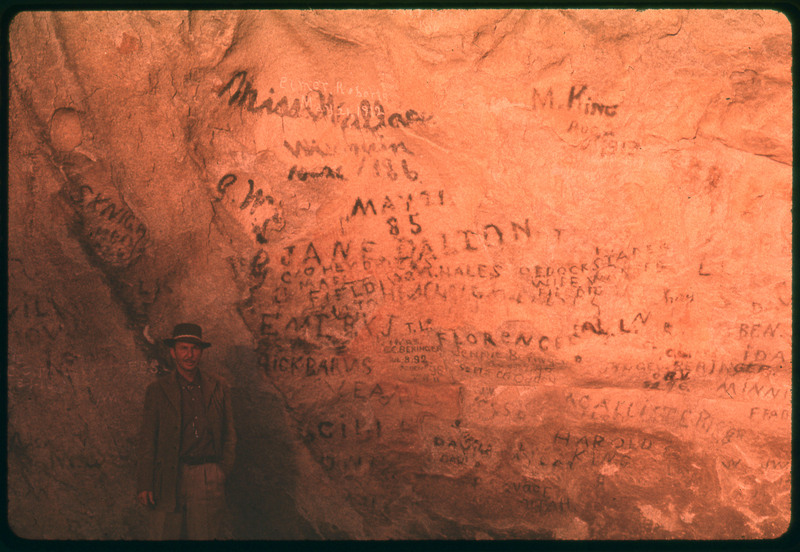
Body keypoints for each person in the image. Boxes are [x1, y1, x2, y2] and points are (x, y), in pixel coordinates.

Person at [137, 323, 236, 540]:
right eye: (183, 348)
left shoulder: (218, 387)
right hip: (168, 476)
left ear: (201, 352)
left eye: (195, 348)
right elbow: (148, 440)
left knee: (205, 537)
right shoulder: (157, 390)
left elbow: (229, 434)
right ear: (173, 352)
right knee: (165, 536)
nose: (189, 355)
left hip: (206, 475)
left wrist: (219, 472)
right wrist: (145, 483)